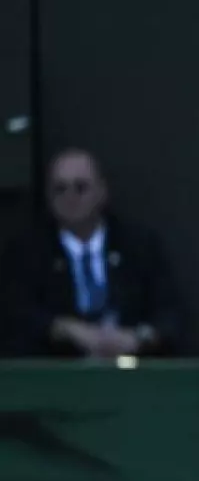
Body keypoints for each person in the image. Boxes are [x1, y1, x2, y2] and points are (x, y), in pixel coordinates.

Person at [0, 149, 183, 359]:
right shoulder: (26, 252)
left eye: (81, 187)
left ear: (102, 191)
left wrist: (138, 338)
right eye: (60, 189)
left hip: (131, 372)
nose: (70, 197)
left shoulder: (139, 245)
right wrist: (64, 329)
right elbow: (16, 314)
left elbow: (170, 313)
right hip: (56, 376)